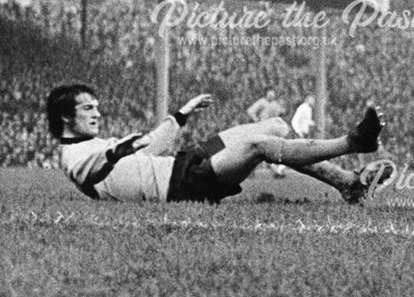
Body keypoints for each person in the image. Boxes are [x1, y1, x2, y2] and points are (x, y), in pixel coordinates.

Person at [48, 83, 389, 205]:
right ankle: (353, 142)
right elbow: (89, 173)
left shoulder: (95, 142)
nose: (97, 113)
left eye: (96, 106)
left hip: (184, 161)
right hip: (182, 186)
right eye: (87, 108)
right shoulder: (73, 155)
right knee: (259, 145)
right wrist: (113, 151)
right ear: (66, 117)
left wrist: (180, 115)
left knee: (275, 125)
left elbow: (151, 146)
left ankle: (348, 185)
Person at [247, 88, 287, 177]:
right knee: (262, 150)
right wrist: (256, 120)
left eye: (273, 93)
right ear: (266, 93)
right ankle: (275, 171)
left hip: (272, 129)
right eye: (270, 93)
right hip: (263, 128)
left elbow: (280, 112)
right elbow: (250, 111)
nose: (271, 94)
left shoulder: (275, 104)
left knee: (269, 150)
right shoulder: (261, 102)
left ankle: (276, 171)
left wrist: (282, 112)